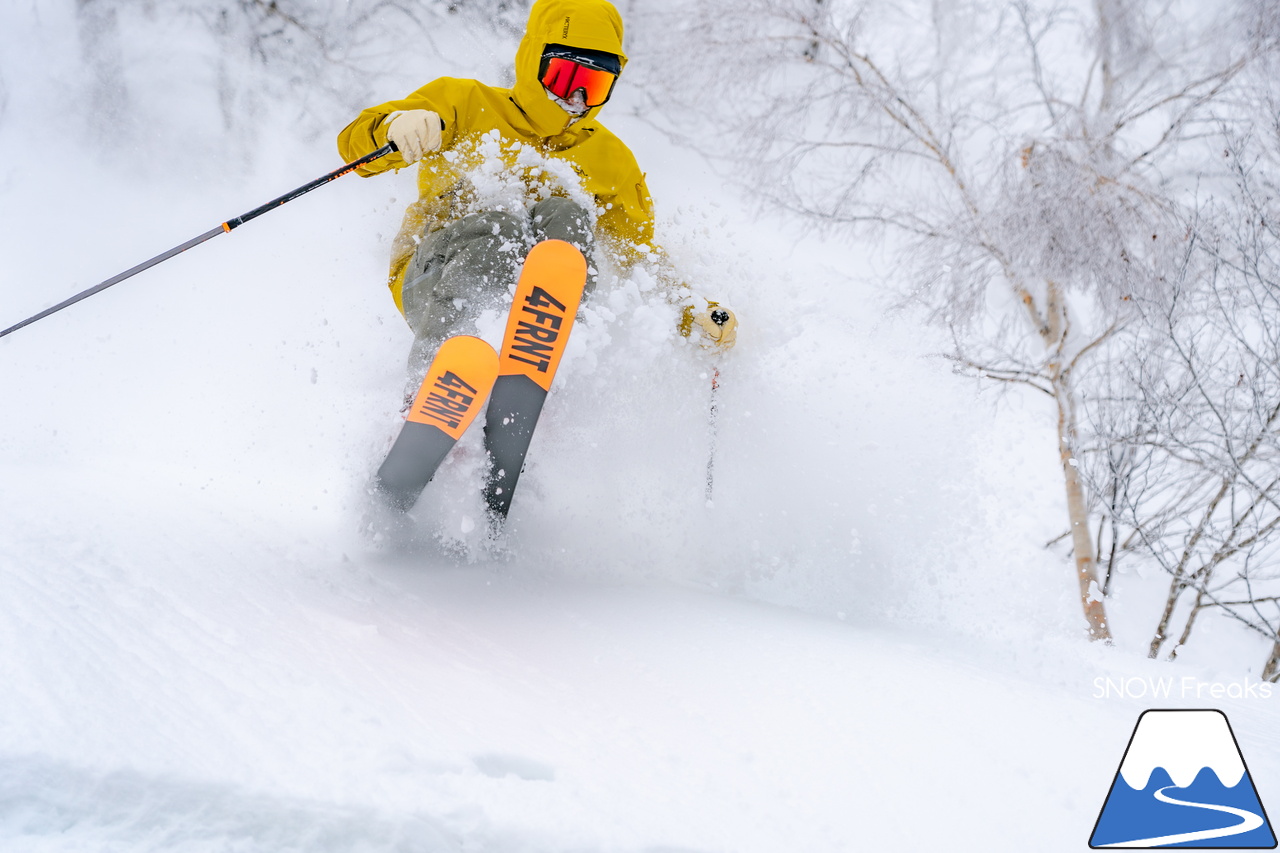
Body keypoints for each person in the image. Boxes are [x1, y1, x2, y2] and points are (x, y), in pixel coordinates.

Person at [336, 0, 737, 388]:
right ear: (534, 60)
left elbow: (637, 257)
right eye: (566, 77)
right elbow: (354, 150)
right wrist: (393, 128)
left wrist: (691, 312)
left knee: (566, 216)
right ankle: (435, 385)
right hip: (434, 278)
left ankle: (539, 377)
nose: (576, 99)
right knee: (500, 226)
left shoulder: (611, 160)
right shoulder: (464, 103)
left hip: (530, 309)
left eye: (593, 85)